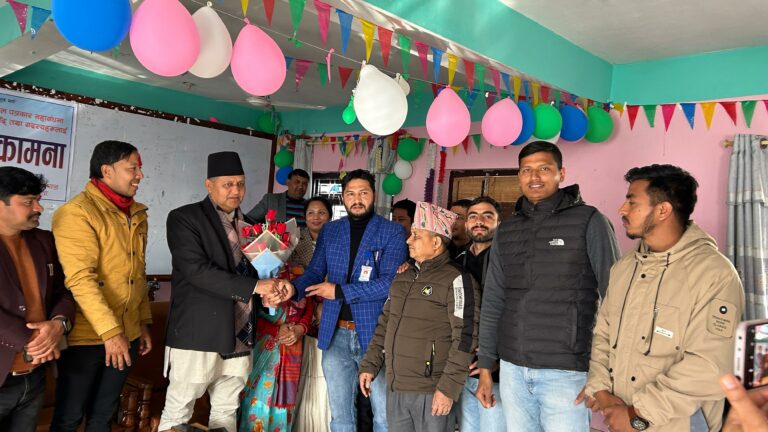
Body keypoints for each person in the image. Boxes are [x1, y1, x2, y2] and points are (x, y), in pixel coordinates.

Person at [582, 164, 745, 432]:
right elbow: (603, 335)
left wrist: (636, 414)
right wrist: (601, 391)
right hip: (621, 418)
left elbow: (709, 366)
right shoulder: (624, 268)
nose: (622, 209)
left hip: (678, 424)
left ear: (662, 210)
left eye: (632, 202)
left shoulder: (714, 274)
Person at [475, 141, 620, 432]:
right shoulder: (507, 230)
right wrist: (486, 366)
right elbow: (493, 300)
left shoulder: (589, 221)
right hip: (513, 370)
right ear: (519, 176)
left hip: (567, 371)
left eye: (544, 168)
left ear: (561, 173)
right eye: (526, 170)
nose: (534, 177)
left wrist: (604, 374)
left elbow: (617, 300)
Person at [159, 151, 289, 432]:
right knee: (178, 411)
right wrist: (256, 286)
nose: (236, 191)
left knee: (226, 410)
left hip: (240, 332)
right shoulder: (185, 218)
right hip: (198, 333)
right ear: (209, 185)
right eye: (227, 184)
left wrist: (271, 290)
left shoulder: (251, 226)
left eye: (240, 184)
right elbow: (196, 271)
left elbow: (259, 272)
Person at [289, 169, 407, 432]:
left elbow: (390, 284)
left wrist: (340, 292)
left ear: (374, 195)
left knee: (384, 416)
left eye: (363, 193)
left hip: (376, 335)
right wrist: (291, 289)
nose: (357, 199)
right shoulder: (331, 231)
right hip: (336, 334)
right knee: (341, 416)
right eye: (351, 193)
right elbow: (315, 272)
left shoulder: (392, 231)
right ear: (343, 197)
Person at [51, 140, 153, 431]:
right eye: (132, 168)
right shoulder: (77, 212)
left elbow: (137, 273)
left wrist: (141, 322)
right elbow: (80, 279)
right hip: (87, 336)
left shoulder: (136, 213)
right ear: (107, 171)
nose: (139, 175)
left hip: (127, 333)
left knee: (103, 416)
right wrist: (110, 332)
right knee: (70, 418)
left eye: (139, 168)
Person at [359, 201, 479, 432]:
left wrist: (448, 388)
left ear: (436, 242)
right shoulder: (403, 277)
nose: (408, 240)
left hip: (432, 390)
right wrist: (370, 364)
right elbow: (385, 325)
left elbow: (465, 338)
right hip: (396, 386)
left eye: (416, 236)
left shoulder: (456, 279)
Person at [0, 167, 75, 432]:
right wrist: (35, 340)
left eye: (38, 200)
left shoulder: (44, 241)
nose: (39, 208)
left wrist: (58, 324)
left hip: (35, 376)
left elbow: (65, 291)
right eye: (28, 202)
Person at [454, 196, 506, 432]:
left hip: (496, 370)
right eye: (473, 216)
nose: (479, 221)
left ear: (498, 223)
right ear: (466, 223)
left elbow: (513, 314)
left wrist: (494, 359)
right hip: (462, 366)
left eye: (488, 216)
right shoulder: (457, 260)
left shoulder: (508, 261)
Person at [292, 197, 334, 432]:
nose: (316, 217)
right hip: (301, 308)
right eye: (311, 213)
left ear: (330, 216)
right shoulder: (294, 240)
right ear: (304, 217)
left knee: (325, 368)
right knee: (305, 367)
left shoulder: (338, 240)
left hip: (330, 307)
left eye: (321, 213)